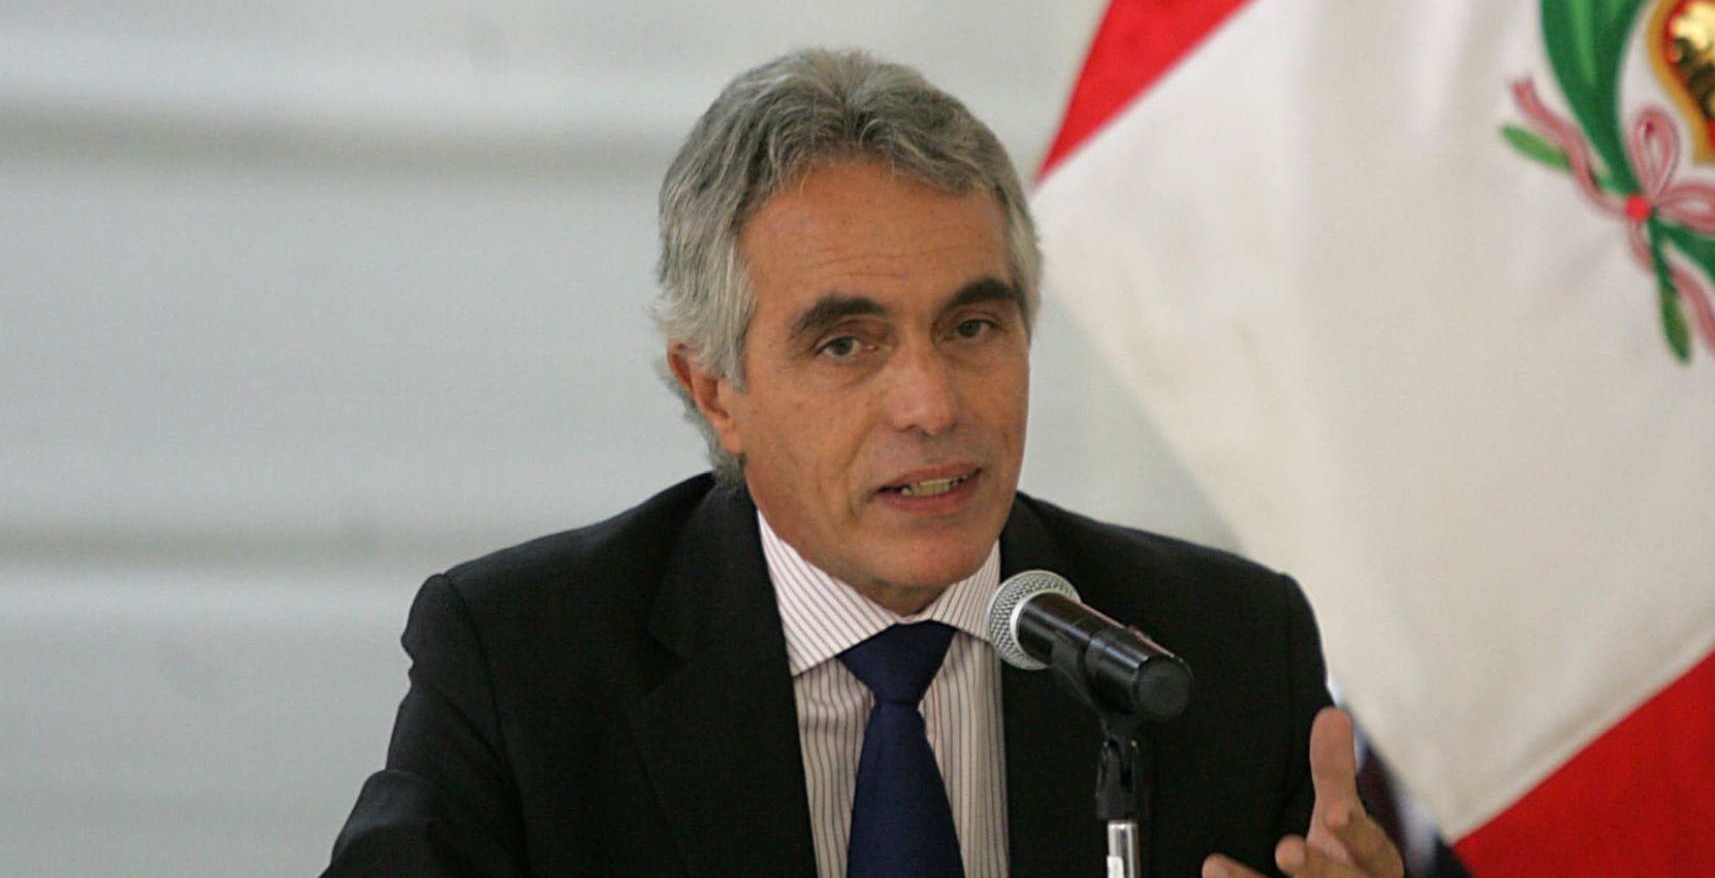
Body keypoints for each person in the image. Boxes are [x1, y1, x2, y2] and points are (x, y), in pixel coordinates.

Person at [321, 48, 1404, 878]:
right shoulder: (526, 666)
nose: (932, 405)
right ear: (714, 390)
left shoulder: (1222, 650)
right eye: (846, 344)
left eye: (973, 327)